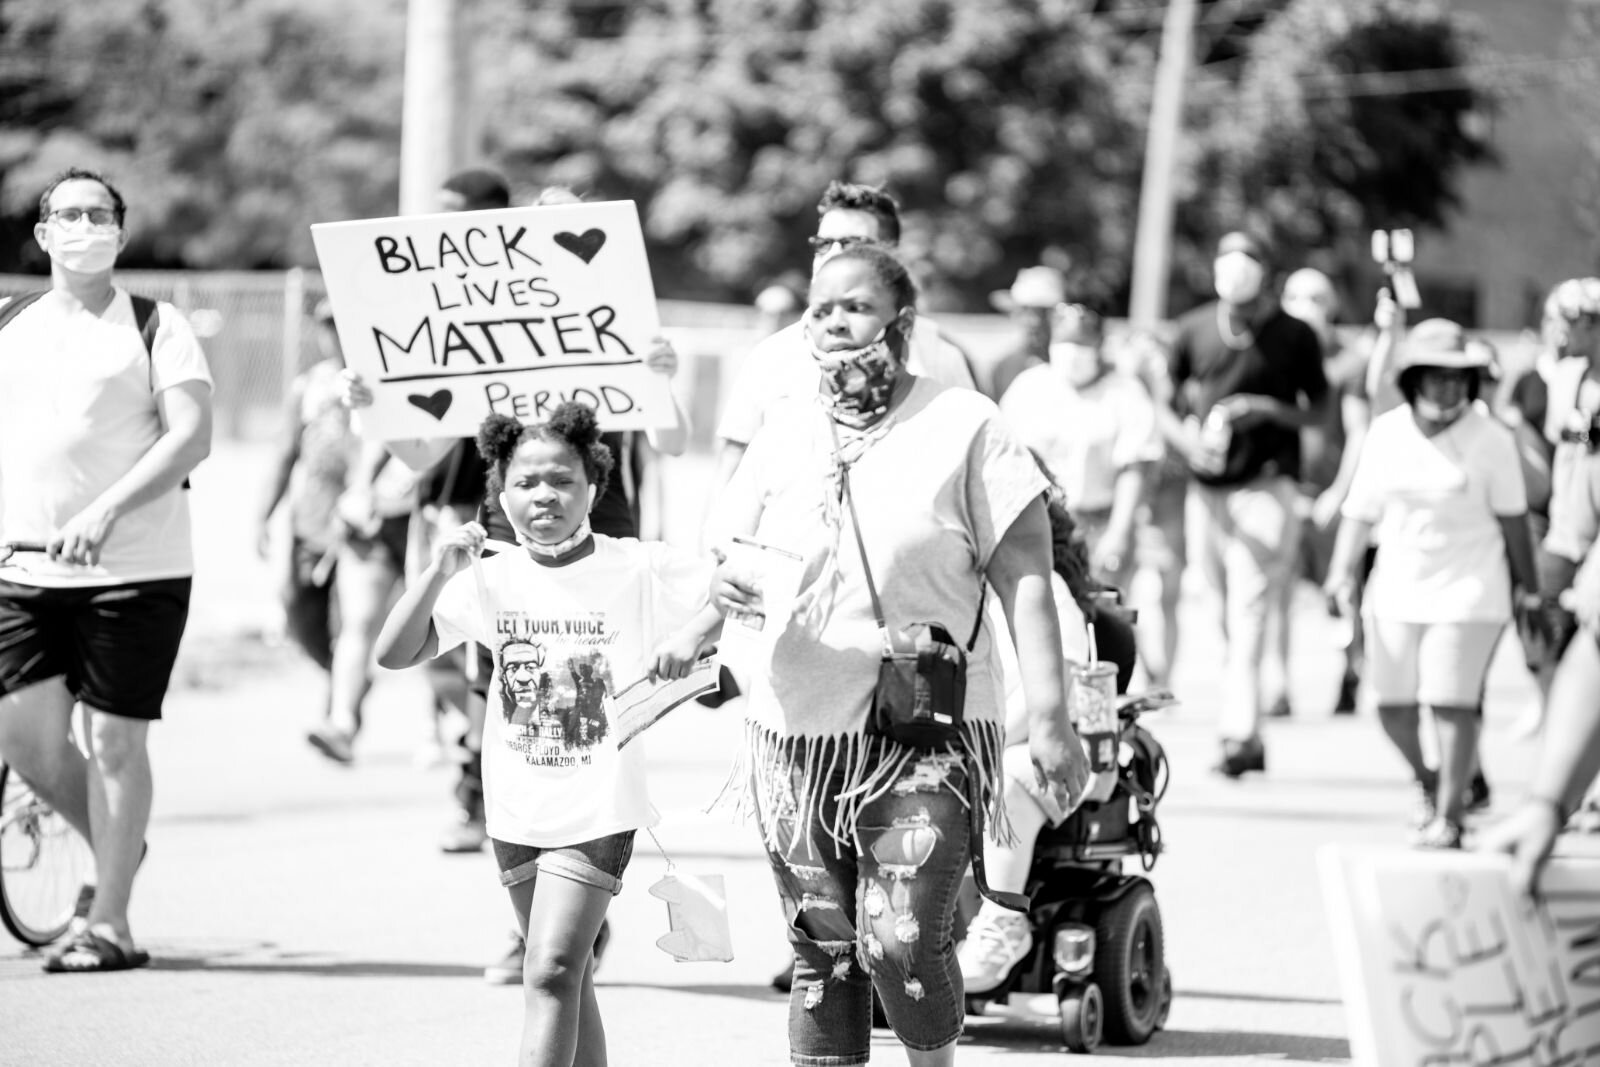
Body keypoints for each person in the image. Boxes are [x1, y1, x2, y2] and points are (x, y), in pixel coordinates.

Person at [708, 243, 1091, 1066]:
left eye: (855, 305)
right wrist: (719, 599)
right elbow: (729, 547)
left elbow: (1027, 571)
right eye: (821, 307)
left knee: (900, 937)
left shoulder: (967, 424)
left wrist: (1053, 719)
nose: (834, 320)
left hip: (927, 734)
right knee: (823, 951)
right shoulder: (785, 428)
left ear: (903, 322)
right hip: (796, 733)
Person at [375, 404, 721, 1067]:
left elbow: (735, 589)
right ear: (499, 490)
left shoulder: (637, 565)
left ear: (595, 483)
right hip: (515, 807)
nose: (545, 496)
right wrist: (437, 569)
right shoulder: (490, 575)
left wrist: (689, 636)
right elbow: (396, 651)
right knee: (567, 978)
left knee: (551, 970)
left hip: (599, 807)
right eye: (526, 481)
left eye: (562, 479)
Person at [0, 167, 213, 971]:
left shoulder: (159, 325)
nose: (84, 225)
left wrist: (105, 512)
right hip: (23, 568)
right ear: (43, 232)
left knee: (117, 743)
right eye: (68, 213)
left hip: (137, 568)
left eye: (100, 214)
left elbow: (190, 436)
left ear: (120, 235)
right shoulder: (10, 321)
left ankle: (112, 921)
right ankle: (119, 845)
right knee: (23, 739)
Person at [1324, 319, 1540, 849]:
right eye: (1436, 376)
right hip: (1397, 586)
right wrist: (1339, 571)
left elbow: (1514, 521)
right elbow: (1360, 510)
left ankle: (1450, 816)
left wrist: (1530, 591)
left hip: (1471, 588)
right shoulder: (1387, 431)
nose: (1448, 386)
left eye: (1458, 377)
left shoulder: (1491, 439)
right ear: (1413, 378)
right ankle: (1432, 782)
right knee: (1392, 706)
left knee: (1450, 701)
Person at [1154, 232, 1329, 777]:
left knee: (1249, 605)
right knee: (1218, 607)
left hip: (1268, 485)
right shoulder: (1192, 329)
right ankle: (1247, 721)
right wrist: (1188, 445)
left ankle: (1238, 733)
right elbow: (1162, 402)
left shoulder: (1294, 336)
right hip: (1208, 490)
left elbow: (1318, 413)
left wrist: (1268, 410)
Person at [957, 482, 1138, 992]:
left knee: (1011, 777)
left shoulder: (1044, 588)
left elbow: (1051, 702)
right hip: (976, 746)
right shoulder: (954, 586)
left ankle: (1001, 923)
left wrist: (978, 750)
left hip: (1053, 754)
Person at [712, 180, 977, 493]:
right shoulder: (772, 356)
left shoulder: (939, 356)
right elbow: (730, 473)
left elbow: (970, 471)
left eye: (852, 244)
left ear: (890, 258)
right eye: (823, 244)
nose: (832, 255)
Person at [258, 299, 409, 755]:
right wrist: (264, 513)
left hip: (373, 521)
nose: (334, 334)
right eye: (326, 325)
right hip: (316, 520)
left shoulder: (389, 377)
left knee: (357, 622)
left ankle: (342, 717)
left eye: (341, 324)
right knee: (299, 610)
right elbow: (286, 451)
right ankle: (350, 681)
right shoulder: (310, 385)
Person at [999, 304, 1161, 589]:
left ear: (1099, 346)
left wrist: (1119, 532)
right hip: (1039, 523)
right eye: (1064, 343)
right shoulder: (1029, 388)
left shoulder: (1124, 393)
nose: (1072, 353)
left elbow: (1134, 467)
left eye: (1082, 344)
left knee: (1101, 617)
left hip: (1098, 524)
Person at [982, 265, 1066, 403]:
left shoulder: (1073, 366)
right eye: (1025, 311)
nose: (1034, 321)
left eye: (1043, 312)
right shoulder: (1004, 367)